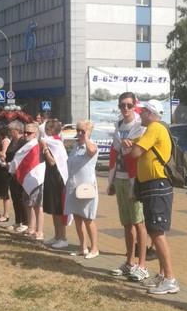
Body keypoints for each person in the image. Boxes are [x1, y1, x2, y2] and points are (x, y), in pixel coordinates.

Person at [127, 100, 179, 295]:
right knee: (156, 231)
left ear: (150, 113)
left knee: (157, 232)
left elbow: (135, 153)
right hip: (153, 186)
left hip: (157, 185)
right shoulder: (155, 129)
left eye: (142, 112)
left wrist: (133, 144)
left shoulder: (154, 128)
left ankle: (170, 279)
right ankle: (163, 275)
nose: (140, 115)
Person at [106, 92, 148, 280]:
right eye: (122, 105)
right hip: (120, 178)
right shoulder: (118, 125)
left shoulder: (141, 126)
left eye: (129, 105)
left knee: (139, 222)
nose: (125, 108)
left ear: (134, 105)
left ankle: (142, 265)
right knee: (126, 222)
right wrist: (111, 181)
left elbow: (142, 151)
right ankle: (129, 262)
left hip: (135, 179)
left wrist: (130, 147)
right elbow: (114, 152)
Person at [66, 120, 100, 259]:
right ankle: (82, 247)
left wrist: (86, 138)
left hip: (86, 188)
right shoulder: (76, 146)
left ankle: (94, 248)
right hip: (74, 186)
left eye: (82, 131)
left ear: (88, 132)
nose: (79, 133)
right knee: (77, 217)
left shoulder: (91, 145)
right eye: (78, 131)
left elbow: (91, 151)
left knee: (88, 218)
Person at [41, 119, 69, 249]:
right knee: (53, 208)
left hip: (58, 178)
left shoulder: (56, 143)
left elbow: (52, 162)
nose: (45, 132)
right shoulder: (49, 141)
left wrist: (45, 148)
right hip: (50, 176)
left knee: (59, 209)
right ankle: (57, 236)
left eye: (48, 129)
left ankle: (63, 237)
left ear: (53, 130)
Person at [22, 122, 45, 240]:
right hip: (27, 178)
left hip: (37, 179)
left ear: (35, 134)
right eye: (25, 132)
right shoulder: (26, 145)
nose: (26, 134)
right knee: (28, 203)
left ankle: (39, 231)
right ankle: (31, 227)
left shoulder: (38, 145)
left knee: (37, 205)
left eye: (29, 133)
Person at [4, 121, 29, 231]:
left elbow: (23, 158)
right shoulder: (12, 142)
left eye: (11, 130)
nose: (9, 132)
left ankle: (25, 222)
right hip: (11, 173)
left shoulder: (23, 142)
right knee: (15, 198)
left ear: (17, 130)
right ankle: (18, 221)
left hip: (21, 174)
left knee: (21, 198)